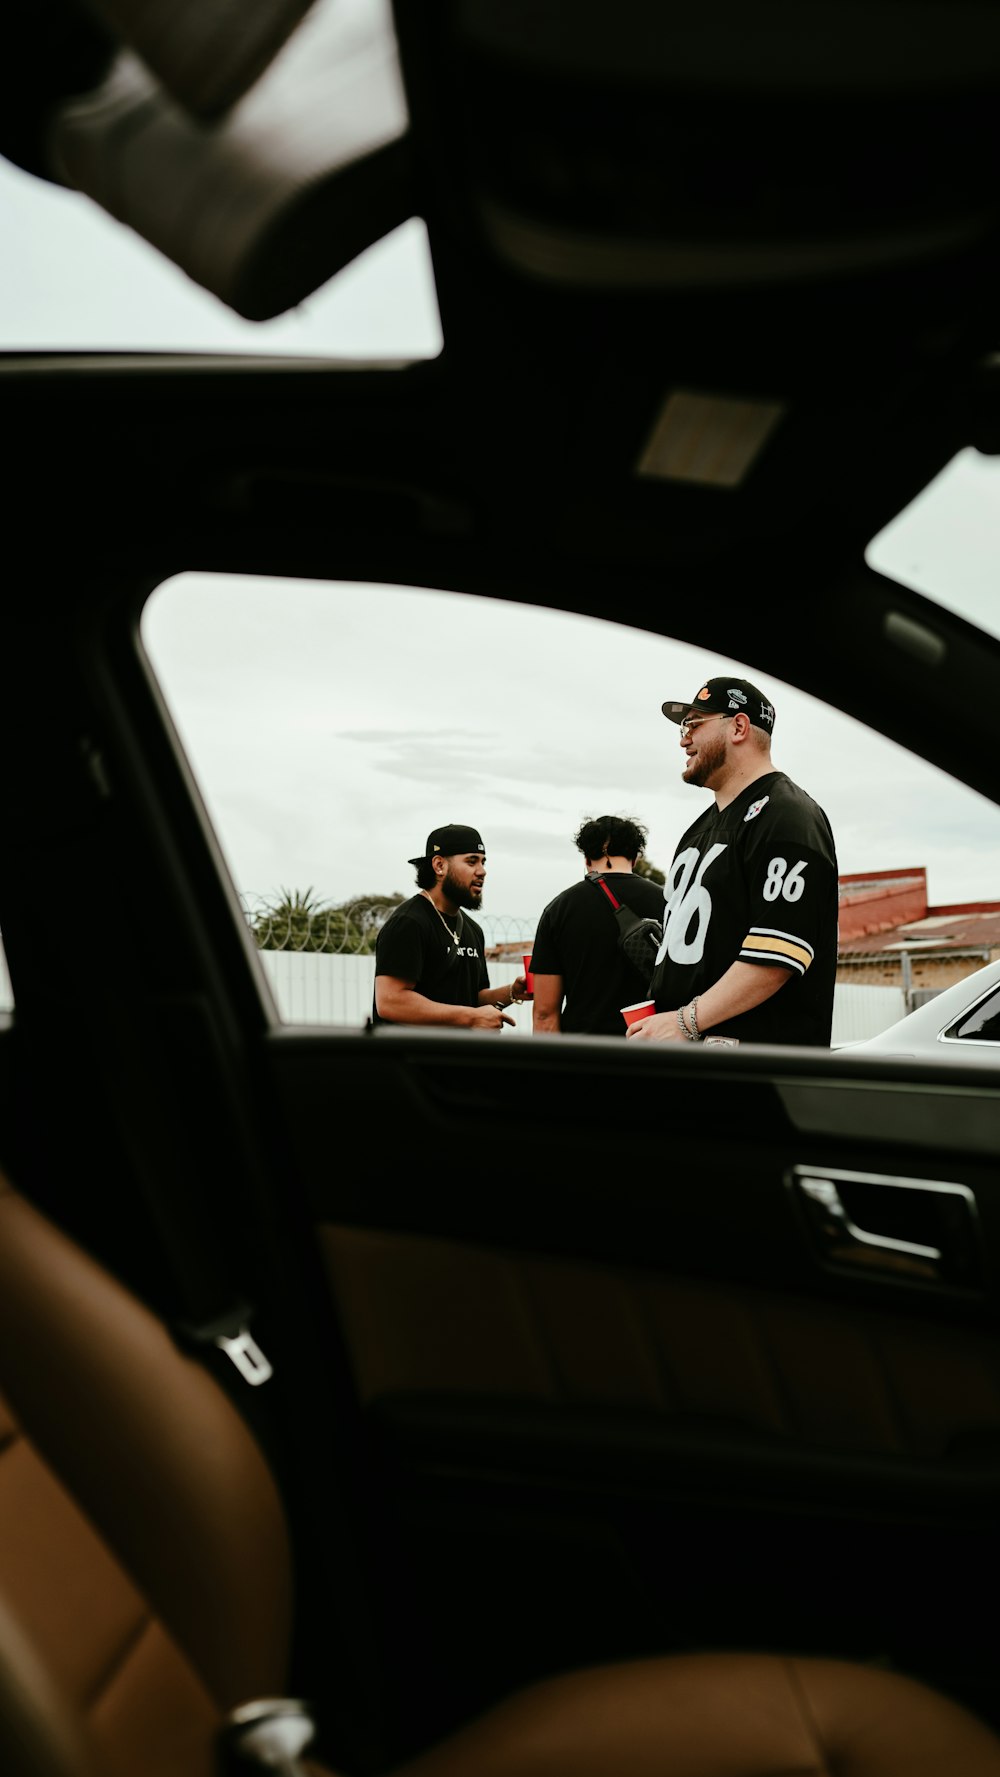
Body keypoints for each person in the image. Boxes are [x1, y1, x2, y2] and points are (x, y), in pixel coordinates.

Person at [627, 676, 838, 1047]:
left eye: (693, 724)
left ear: (738, 726)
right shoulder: (697, 830)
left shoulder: (788, 815)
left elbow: (776, 955)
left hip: (756, 1075)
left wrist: (684, 1022)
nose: (682, 739)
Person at [373, 823, 528, 1029]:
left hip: (455, 1058)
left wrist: (512, 993)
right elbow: (391, 1002)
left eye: (483, 862)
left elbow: (473, 1000)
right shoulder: (409, 923)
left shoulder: (473, 929)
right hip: (410, 1059)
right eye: (471, 862)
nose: (482, 871)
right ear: (439, 866)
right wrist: (471, 1017)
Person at [530, 814, 666, 1036]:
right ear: (635, 857)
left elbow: (545, 1014)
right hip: (651, 1052)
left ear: (586, 859)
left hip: (582, 1058)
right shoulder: (669, 903)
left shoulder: (559, 909)